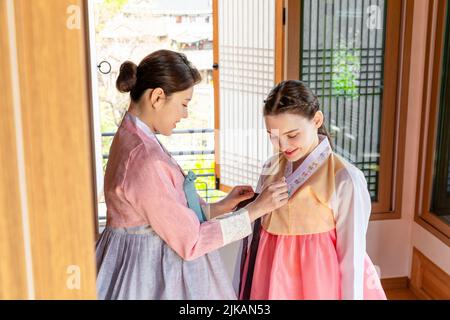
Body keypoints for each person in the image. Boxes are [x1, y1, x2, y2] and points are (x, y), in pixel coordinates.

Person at [95, 49, 288, 300]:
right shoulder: (144, 158)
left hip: (132, 265)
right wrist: (255, 210)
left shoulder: (131, 137)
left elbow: (165, 215)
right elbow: (192, 242)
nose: (184, 115)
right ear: (157, 97)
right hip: (147, 274)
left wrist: (221, 206)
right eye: (184, 104)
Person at [239, 80, 387, 300]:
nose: (283, 146)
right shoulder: (271, 167)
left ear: (317, 120)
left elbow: (352, 257)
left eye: (292, 135)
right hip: (270, 274)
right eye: (274, 136)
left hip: (319, 282)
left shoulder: (344, 178)